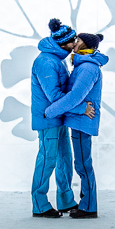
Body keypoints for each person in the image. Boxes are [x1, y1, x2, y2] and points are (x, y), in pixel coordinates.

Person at [45, 32, 107, 218]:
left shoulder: (87, 68)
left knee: (83, 164)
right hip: (79, 119)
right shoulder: (83, 64)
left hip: (82, 121)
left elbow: (75, 96)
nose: (74, 43)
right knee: (82, 163)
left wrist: (51, 111)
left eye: (78, 40)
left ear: (86, 45)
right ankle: (87, 203)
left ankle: (88, 207)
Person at [30, 18, 81, 217]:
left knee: (64, 159)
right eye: (73, 41)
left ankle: (66, 201)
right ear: (63, 43)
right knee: (47, 159)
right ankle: (40, 204)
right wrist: (80, 108)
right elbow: (54, 96)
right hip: (48, 118)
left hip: (58, 117)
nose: (75, 44)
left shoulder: (56, 59)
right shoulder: (45, 62)